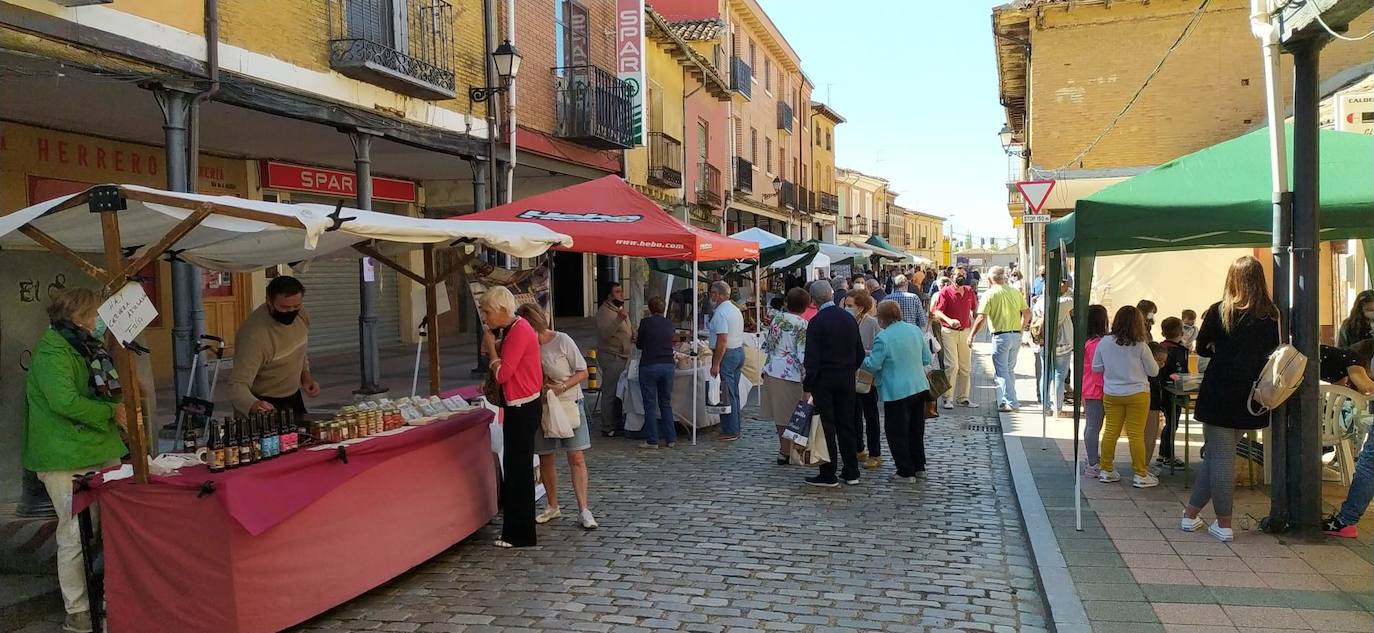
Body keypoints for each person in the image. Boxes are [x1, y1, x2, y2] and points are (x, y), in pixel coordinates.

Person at [24, 288, 126, 633]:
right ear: (79, 317)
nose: (101, 323)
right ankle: (78, 610)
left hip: (100, 446)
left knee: (113, 527)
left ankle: (114, 598)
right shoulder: (52, 351)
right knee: (74, 532)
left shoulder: (87, 347)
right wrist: (112, 411)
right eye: (97, 316)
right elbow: (64, 401)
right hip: (64, 455)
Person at [1183, 255, 1280, 542]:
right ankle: (1190, 516)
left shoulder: (1220, 310)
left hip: (1219, 391)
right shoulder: (1271, 315)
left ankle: (1224, 524)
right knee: (1216, 455)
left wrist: (1221, 349)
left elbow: (1202, 348)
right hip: (1253, 395)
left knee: (1221, 457)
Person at [516, 303, 598, 530]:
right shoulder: (526, 345)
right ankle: (553, 505)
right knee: (545, 456)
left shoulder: (562, 340)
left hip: (568, 402)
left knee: (576, 456)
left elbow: (582, 371)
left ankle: (583, 508)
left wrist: (561, 387)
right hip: (542, 405)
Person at [479, 286, 543, 549]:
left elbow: (504, 374)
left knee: (517, 470)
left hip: (522, 407)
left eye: (487, 311)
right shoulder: (515, 329)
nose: (485, 317)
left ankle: (519, 534)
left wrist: (492, 353)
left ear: (501, 310)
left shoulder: (519, 330)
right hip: (520, 405)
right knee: (516, 468)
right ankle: (516, 531)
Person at [226, 276, 320, 416]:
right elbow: (236, 385)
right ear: (269, 301)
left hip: (293, 399)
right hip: (264, 405)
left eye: (296, 306)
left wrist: (305, 376)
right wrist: (253, 405)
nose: (291, 311)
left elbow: (299, 348)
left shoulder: (302, 315)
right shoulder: (254, 336)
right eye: (284, 307)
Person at [802, 280, 865, 487]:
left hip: (824, 380)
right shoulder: (848, 319)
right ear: (831, 295)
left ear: (813, 300)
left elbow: (811, 359)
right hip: (845, 378)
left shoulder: (817, 322)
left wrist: (808, 386)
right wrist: (849, 369)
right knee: (846, 424)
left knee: (826, 426)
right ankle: (851, 470)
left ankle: (828, 472)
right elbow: (860, 353)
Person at [863, 300, 934, 481]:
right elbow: (926, 358)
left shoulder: (884, 338)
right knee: (916, 429)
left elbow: (873, 365)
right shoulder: (915, 330)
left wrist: (860, 358)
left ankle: (905, 471)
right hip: (919, 387)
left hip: (896, 391)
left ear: (882, 318)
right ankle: (919, 467)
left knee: (897, 431)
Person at [1092, 305, 1160, 489]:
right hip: (1138, 393)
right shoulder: (1141, 346)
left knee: (1110, 432)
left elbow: (1096, 367)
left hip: (1112, 393)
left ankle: (1106, 470)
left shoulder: (1104, 343)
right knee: (1136, 434)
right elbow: (1153, 371)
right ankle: (1140, 473)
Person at [1321, 342, 1374, 538]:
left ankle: (1346, 520)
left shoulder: (1352, 361)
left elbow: (1366, 387)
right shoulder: (1346, 362)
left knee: (1368, 466)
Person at [968, 266, 1030, 412]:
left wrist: (972, 335)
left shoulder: (990, 294)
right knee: (1009, 370)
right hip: (1015, 335)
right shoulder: (1015, 292)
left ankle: (1012, 402)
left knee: (1002, 371)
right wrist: (1020, 329)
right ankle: (1005, 400)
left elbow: (981, 317)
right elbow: (1027, 313)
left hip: (1001, 336)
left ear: (990, 279)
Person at [761, 288, 810, 464]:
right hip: (791, 373)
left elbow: (768, 345)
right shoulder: (802, 324)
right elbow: (803, 353)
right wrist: (808, 377)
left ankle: (784, 449)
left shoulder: (778, 319)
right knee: (793, 414)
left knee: (780, 414)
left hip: (773, 369)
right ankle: (790, 450)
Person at [846, 288, 883, 470]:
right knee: (854, 414)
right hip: (849, 375)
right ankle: (859, 448)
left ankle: (875, 453)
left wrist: (861, 353)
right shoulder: (845, 321)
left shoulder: (872, 323)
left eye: (850, 305)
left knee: (871, 416)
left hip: (867, 375)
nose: (846, 308)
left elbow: (879, 349)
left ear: (860, 308)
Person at [636, 296, 677, 450]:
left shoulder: (645, 323)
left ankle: (652, 439)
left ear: (650, 309)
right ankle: (671, 438)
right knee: (666, 403)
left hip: (649, 365)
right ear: (663, 308)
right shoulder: (669, 323)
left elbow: (639, 345)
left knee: (650, 404)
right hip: (667, 364)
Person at [932, 269, 978, 409]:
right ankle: (948, 398)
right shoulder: (946, 291)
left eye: (964, 275)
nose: (962, 277)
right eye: (959, 275)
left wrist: (977, 324)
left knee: (966, 367)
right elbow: (937, 311)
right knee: (952, 365)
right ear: (952, 277)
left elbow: (974, 310)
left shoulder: (969, 291)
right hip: (949, 331)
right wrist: (949, 320)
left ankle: (963, 397)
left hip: (965, 331)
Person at [707, 281, 746, 441]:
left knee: (727, 394)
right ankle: (733, 427)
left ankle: (730, 430)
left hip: (727, 354)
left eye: (712, 294)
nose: (711, 297)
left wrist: (716, 363)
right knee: (733, 393)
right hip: (737, 351)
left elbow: (722, 339)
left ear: (718, 295)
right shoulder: (734, 309)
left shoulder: (721, 312)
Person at [594, 283, 633, 437]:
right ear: (610, 296)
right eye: (617, 292)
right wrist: (618, 320)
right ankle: (607, 426)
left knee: (619, 391)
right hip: (612, 356)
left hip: (623, 356)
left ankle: (617, 423)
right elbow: (605, 333)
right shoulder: (604, 312)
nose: (621, 294)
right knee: (610, 391)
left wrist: (633, 334)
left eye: (621, 291)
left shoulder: (619, 310)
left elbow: (626, 328)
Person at [1155, 317, 1191, 469]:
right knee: (1172, 423)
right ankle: (1168, 455)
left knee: (1170, 423)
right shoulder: (1177, 350)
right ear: (1181, 332)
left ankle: (1163, 454)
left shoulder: (1161, 347)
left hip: (1161, 390)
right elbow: (1180, 372)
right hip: (1173, 391)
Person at [1079, 305, 1110, 477]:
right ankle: (1092, 462)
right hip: (1097, 389)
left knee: (1092, 425)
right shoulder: (1096, 343)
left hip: (1089, 387)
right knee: (1093, 426)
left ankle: (1092, 459)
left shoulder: (1087, 340)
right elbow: (1097, 369)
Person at [1038, 277, 1074, 417]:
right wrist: (1066, 289)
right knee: (1059, 376)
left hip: (1044, 343)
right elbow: (1075, 297)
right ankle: (1058, 408)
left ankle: (1045, 407)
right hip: (1062, 344)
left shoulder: (1040, 302)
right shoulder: (1064, 302)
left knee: (1045, 376)